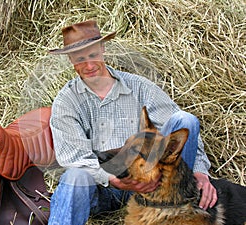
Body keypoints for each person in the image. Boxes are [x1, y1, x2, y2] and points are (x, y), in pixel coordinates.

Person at [48, 20, 217, 225]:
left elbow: (181, 131)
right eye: (80, 59)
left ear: (103, 49)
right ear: (71, 60)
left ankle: (183, 202)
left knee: (185, 120)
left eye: (93, 55)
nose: (90, 65)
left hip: (151, 185)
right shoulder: (66, 101)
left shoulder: (139, 87)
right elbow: (74, 157)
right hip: (102, 190)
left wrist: (200, 171)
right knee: (74, 178)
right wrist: (112, 178)